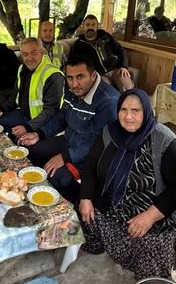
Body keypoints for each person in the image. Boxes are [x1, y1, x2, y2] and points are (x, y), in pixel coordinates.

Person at [79, 90, 176, 279]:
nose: (128, 116)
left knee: (150, 248)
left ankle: (148, 278)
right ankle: (100, 245)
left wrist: (148, 217)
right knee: (82, 213)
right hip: (112, 205)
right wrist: (86, 198)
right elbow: (90, 167)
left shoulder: (163, 140)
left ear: (146, 112)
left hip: (152, 211)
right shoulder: (110, 132)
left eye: (136, 110)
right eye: (123, 109)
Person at [18, 55, 119, 203]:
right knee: (30, 150)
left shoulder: (108, 101)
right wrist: (39, 134)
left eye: (80, 77)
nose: (74, 84)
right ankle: (35, 194)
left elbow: (100, 143)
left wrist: (65, 157)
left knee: (59, 177)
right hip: (68, 140)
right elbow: (62, 117)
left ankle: (76, 207)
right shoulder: (71, 89)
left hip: (91, 156)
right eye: (70, 78)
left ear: (92, 75)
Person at [0, 37, 65, 139]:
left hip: (43, 123)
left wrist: (28, 127)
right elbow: (15, 97)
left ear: (42, 52)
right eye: (25, 54)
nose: (29, 58)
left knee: (16, 141)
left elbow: (51, 111)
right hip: (23, 115)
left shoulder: (53, 75)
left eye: (34, 53)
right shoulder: (22, 69)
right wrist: (1, 109)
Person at [71, 15, 134, 92]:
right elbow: (73, 63)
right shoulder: (78, 45)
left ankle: (130, 102)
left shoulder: (106, 37)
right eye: (87, 25)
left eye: (93, 25)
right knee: (108, 91)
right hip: (98, 75)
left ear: (97, 26)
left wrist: (123, 66)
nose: (90, 27)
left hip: (115, 70)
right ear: (83, 27)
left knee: (127, 86)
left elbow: (120, 50)